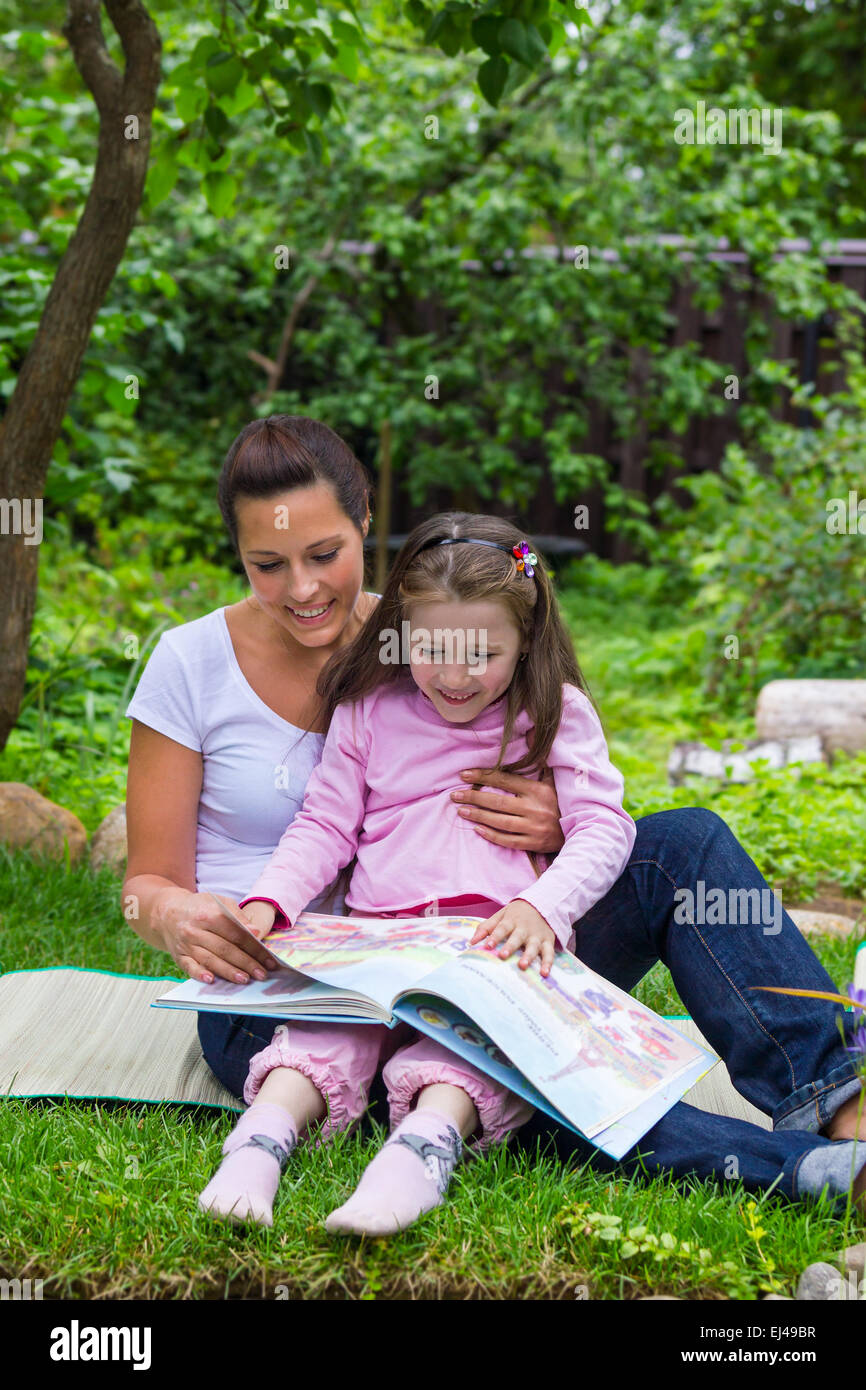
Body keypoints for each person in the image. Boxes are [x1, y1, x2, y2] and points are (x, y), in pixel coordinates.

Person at [123, 414, 866, 1238]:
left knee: (681, 846)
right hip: (293, 978)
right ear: (235, 552)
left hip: (494, 942)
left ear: (368, 521)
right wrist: (198, 915)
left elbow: (591, 806)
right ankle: (812, 1176)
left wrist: (552, 840)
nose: (302, 588)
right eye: (268, 564)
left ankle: (840, 1096)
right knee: (532, 1069)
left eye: (324, 554)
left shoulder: (434, 620)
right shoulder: (208, 665)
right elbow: (166, 878)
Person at [196, 510, 638, 1235]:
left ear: (526, 639)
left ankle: (416, 1157)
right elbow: (326, 825)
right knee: (322, 1035)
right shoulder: (372, 708)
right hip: (374, 938)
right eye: (432, 647)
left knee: (465, 1047)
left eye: (483, 654)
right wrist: (271, 900)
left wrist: (543, 905)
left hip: (492, 943)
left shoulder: (554, 711)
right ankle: (258, 1145)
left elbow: (604, 826)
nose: (455, 675)